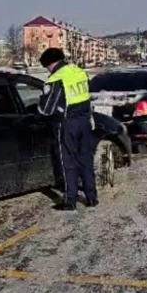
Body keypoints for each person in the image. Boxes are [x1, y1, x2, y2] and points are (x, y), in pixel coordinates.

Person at [37, 48, 98, 211]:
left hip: (68, 124)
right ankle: (92, 197)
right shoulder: (80, 72)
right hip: (84, 121)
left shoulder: (56, 78)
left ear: (50, 64)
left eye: (46, 67)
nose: (47, 70)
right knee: (86, 159)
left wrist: (40, 103)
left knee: (68, 162)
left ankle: (70, 200)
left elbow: (46, 109)